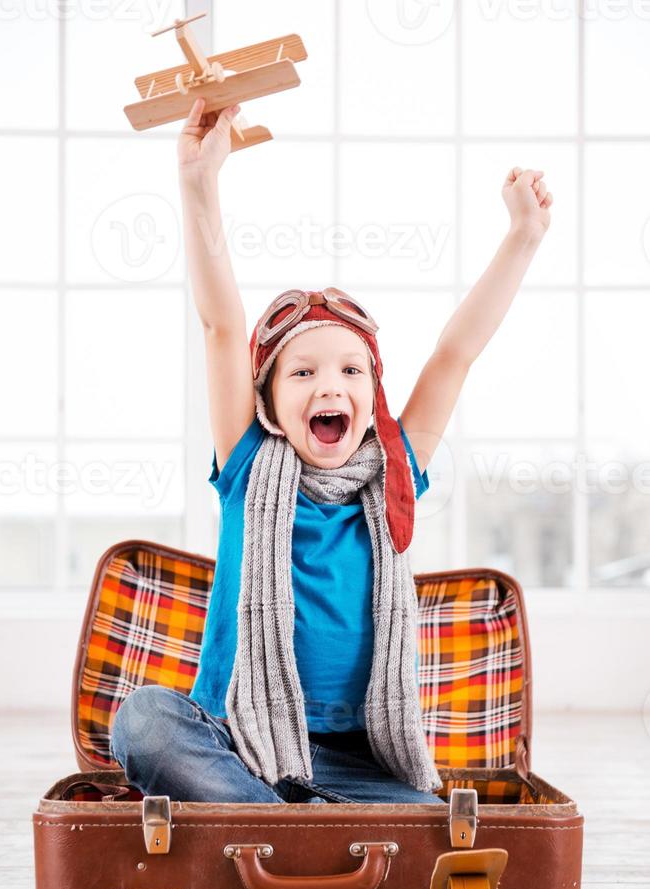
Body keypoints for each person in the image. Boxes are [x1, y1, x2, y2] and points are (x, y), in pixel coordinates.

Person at [111, 98, 552, 806]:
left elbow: (455, 353)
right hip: (238, 739)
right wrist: (199, 183)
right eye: (304, 371)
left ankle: (282, 821)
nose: (331, 385)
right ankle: (285, 819)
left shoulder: (397, 468)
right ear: (268, 400)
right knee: (145, 723)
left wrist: (523, 236)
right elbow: (222, 325)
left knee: (436, 823)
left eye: (352, 370)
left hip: (355, 759)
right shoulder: (250, 463)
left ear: (372, 393)